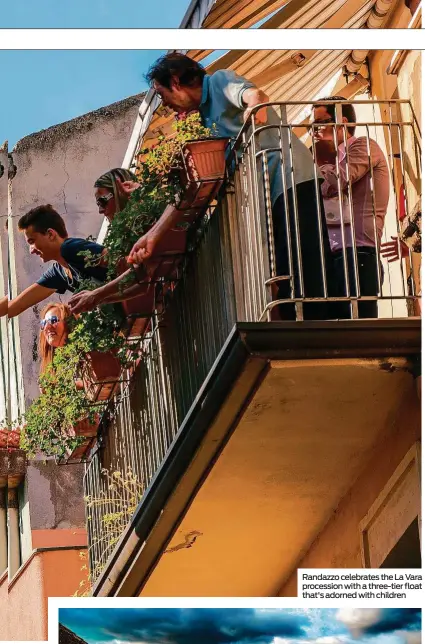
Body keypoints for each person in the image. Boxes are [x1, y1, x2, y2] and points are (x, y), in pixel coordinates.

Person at [127, 52, 337, 320]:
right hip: (268, 189)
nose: (165, 105)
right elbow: (197, 183)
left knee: (303, 254)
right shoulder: (202, 119)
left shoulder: (218, 81)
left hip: (290, 175)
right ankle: (302, 321)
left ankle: (320, 322)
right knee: (284, 262)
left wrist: (254, 107)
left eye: (162, 93)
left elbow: (254, 95)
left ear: (176, 81)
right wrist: (154, 234)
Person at [312, 96, 390, 318]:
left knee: (362, 327)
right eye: (312, 126)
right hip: (336, 256)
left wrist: (323, 160)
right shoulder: (331, 159)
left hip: (360, 253)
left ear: (342, 122)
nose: (315, 131)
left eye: (320, 123)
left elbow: (336, 182)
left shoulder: (364, 146)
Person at [6, 205, 109, 319]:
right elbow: (16, 306)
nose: (31, 250)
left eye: (32, 241)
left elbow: (120, 261)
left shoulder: (69, 248)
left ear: (50, 234)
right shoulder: (58, 272)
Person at [39, 302, 71, 375]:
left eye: (53, 320)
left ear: (68, 322)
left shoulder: (87, 354)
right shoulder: (52, 367)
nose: (47, 327)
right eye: (43, 323)